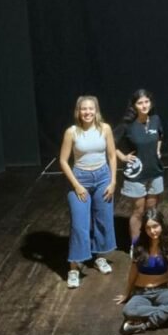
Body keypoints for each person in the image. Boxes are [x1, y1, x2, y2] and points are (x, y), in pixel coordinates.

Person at [58, 95, 118, 287]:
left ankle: (99, 257)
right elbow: (63, 161)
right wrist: (76, 185)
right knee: (79, 225)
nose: (87, 112)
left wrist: (113, 181)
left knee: (103, 220)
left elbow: (112, 156)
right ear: (78, 111)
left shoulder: (105, 128)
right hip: (80, 179)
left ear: (96, 110)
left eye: (91, 108)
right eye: (84, 109)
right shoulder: (72, 132)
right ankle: (74, 268)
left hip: (103, 178)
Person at [114, 209, 168, 335]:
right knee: (128, 311)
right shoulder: (138, 243)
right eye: (148, 228)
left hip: (162, 290)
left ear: (162, 225)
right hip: (142, 293)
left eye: (155, 226)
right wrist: (127, 293)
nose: (152, 231)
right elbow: (133, 271)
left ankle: (145, 325)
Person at [115, 89, 164, 243]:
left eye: (146, 102)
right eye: (140, 103)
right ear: (134, 106)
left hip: (154, 171)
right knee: (138, 211)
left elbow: (160, 135)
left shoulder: (155, 119)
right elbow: (110, 142)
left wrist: (157, 150)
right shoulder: (127, 124)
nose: (144, 105)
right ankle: (135, 246)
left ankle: (151, 242)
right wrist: (123, 157)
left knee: (151, 210)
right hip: (136, 175)